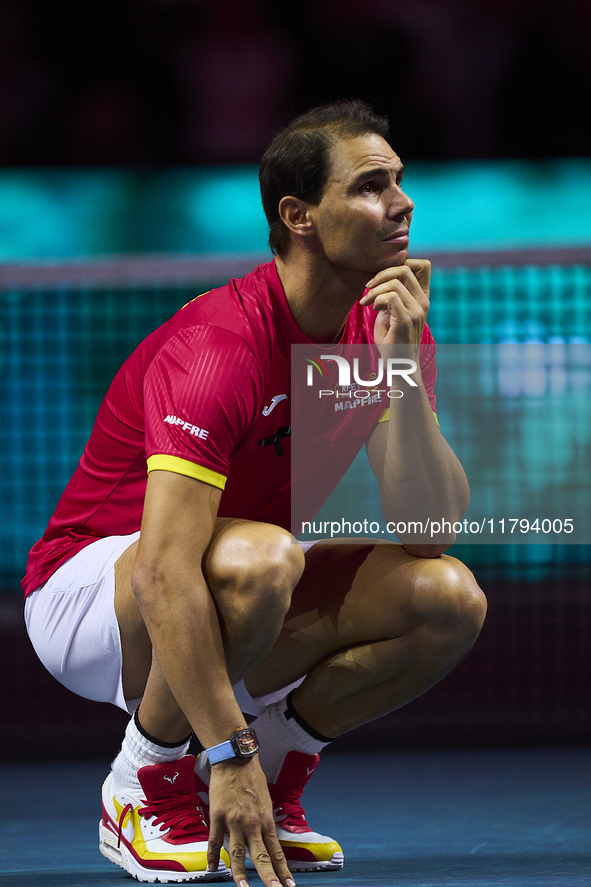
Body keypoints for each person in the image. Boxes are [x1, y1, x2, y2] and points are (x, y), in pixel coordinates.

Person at [23, 100, 486, 887]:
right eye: (371, 185)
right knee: (264, 557)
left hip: (242, 583)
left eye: (400, 181)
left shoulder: (380, 333)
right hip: (91, 593)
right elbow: (165, 570)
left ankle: (273, 780)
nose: (402, 202)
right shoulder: (219, 346)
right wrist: (222, 750)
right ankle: (141, 783)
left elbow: (426, 527)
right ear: (298, 215)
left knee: (447, 597)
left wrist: (399, 370)